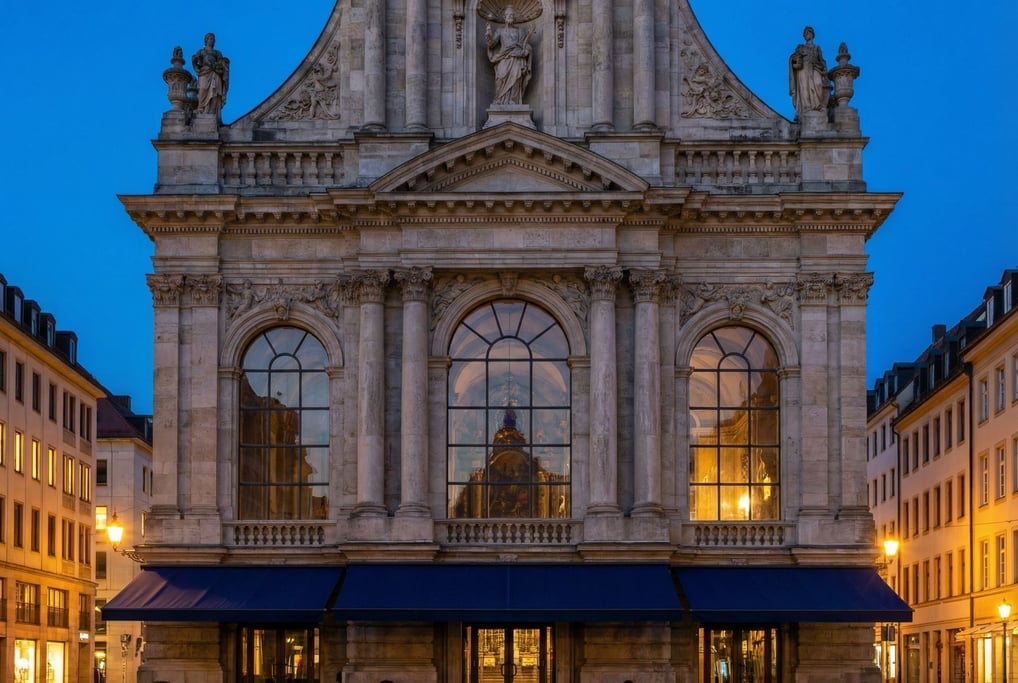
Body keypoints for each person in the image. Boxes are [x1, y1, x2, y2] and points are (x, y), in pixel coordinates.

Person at [484, 7, 534, 105]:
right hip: (503, 58)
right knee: (500, 78)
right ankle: (500, 100)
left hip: (516, 59)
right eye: (508, 15)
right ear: (504, 17)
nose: (510, 17)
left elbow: (523, 45)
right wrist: (488, 33)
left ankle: (513, 101)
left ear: (514, 18)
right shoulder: (500, 31)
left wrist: (527, 51)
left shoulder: (520, 31)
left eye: (512, 15)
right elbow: (492, 44)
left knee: (516, 79)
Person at [788, 26, 828, 117]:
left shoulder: (817, 47)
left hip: (815, 68)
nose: (807, 35)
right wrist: (795, 64)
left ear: (812, 34)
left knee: (818, 84)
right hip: (803, 69)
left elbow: (821, 60)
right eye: (805, 33)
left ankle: (817, 106)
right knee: (804, 88)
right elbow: (795, 59)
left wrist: (824, 69)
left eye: (809, 33)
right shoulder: (801, 47)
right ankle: (807, 108)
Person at [192, 32, 229, 116]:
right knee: (203, 89)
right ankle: (201, 108)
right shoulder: (201, 51)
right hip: (204, 72)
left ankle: (212, 112)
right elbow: (195, 61)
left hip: (215, 73)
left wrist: (223, 63)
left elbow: (221, 63)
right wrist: (196, 67)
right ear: (206, 40)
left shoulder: (217, 53)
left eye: (213, 39)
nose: (212, 41)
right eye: (210, 39)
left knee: (215, 92)